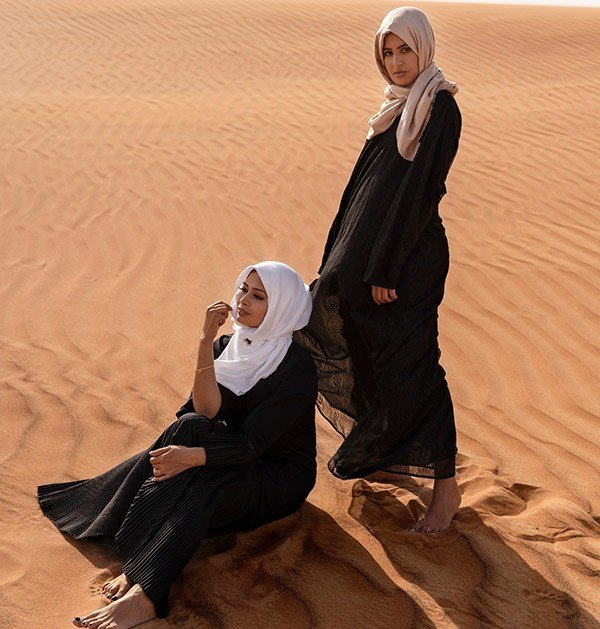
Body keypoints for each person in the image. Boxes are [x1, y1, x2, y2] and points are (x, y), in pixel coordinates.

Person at [37, 261, 317, 628]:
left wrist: (194, 457)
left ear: (281, 307)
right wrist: (204, 343)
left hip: (276, 474)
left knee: (201, 482)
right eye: (242, 290)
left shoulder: (296, 366)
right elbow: (203, 412)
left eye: (259, 296)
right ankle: (142, 560)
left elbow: (253, 447)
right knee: (188, 426)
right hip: (227, 454)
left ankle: (147, 594)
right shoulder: (227, 346)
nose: (243, 301)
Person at [294, 6, 462, 533]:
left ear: (425, 48)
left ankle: (446, 489)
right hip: (366, 263)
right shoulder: (393, 111)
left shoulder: (439, 109)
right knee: (366, 351)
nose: (395, 61)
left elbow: (417, 196)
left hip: (405, 266)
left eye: (404, 49)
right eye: (387, 52)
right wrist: (337, 262)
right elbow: (361, 195)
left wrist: (385, 269)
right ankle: (388, 448)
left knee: (413, 363)